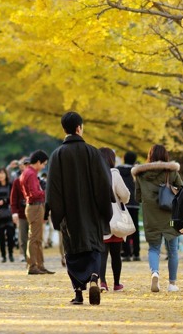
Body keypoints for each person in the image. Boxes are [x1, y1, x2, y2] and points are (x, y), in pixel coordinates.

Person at [45, 111, 112, 306]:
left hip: (69, 214)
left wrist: (57, 215)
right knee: (93, 248)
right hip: (92, 212)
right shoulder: (93, 152)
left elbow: (53, 189)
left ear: (64, 129)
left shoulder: (57, 155)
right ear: (79, 128)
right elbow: (103, 183)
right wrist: (104, 209)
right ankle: (93, 277)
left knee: (72, 252)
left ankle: (78, 293)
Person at [132, 144, 183, 293]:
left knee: (154, 248)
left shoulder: (140, 175)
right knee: (173, 250)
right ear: (165, 156)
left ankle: (155, 272)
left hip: (150, 217)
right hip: (170, 217)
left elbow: (138, 197)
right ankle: (172, 284)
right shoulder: (171, 172)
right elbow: (181, 190)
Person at [99, 147, 130, 292]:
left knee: (102, 253)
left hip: (100, 219)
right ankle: (117, 283)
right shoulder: (115, 174)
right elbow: (125, 195)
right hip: (116, 219)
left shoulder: (93, 174)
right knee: (116, 254)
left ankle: (102, 283)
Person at [21, 150, 52, 275]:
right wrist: (47, 193)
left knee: (37, 237)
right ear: (38, 162)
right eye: (43, 164)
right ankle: (33, 265)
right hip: (35, 206)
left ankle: (39, 264)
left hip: (33, 206)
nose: (44, 166)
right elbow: (35, 193)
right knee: (35, 238)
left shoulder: (27, 172)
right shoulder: (31, 174)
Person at [117, 151, 140, 261]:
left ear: (124, 158)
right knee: (135, 229)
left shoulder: (118, 170)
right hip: (134, 203)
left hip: (122, 203)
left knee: (123, 228)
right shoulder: (136, 171)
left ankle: (125, 252)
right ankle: (136, 253)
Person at [10, 157, 30, 265]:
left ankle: (31, 255)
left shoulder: (35, 179)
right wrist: (14, 212)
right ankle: (22, 253)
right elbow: (13, 198)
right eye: (24, 164)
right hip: (22, 212)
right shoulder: (17, 181)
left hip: (33, 212)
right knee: (22, 235)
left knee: (34, 236)